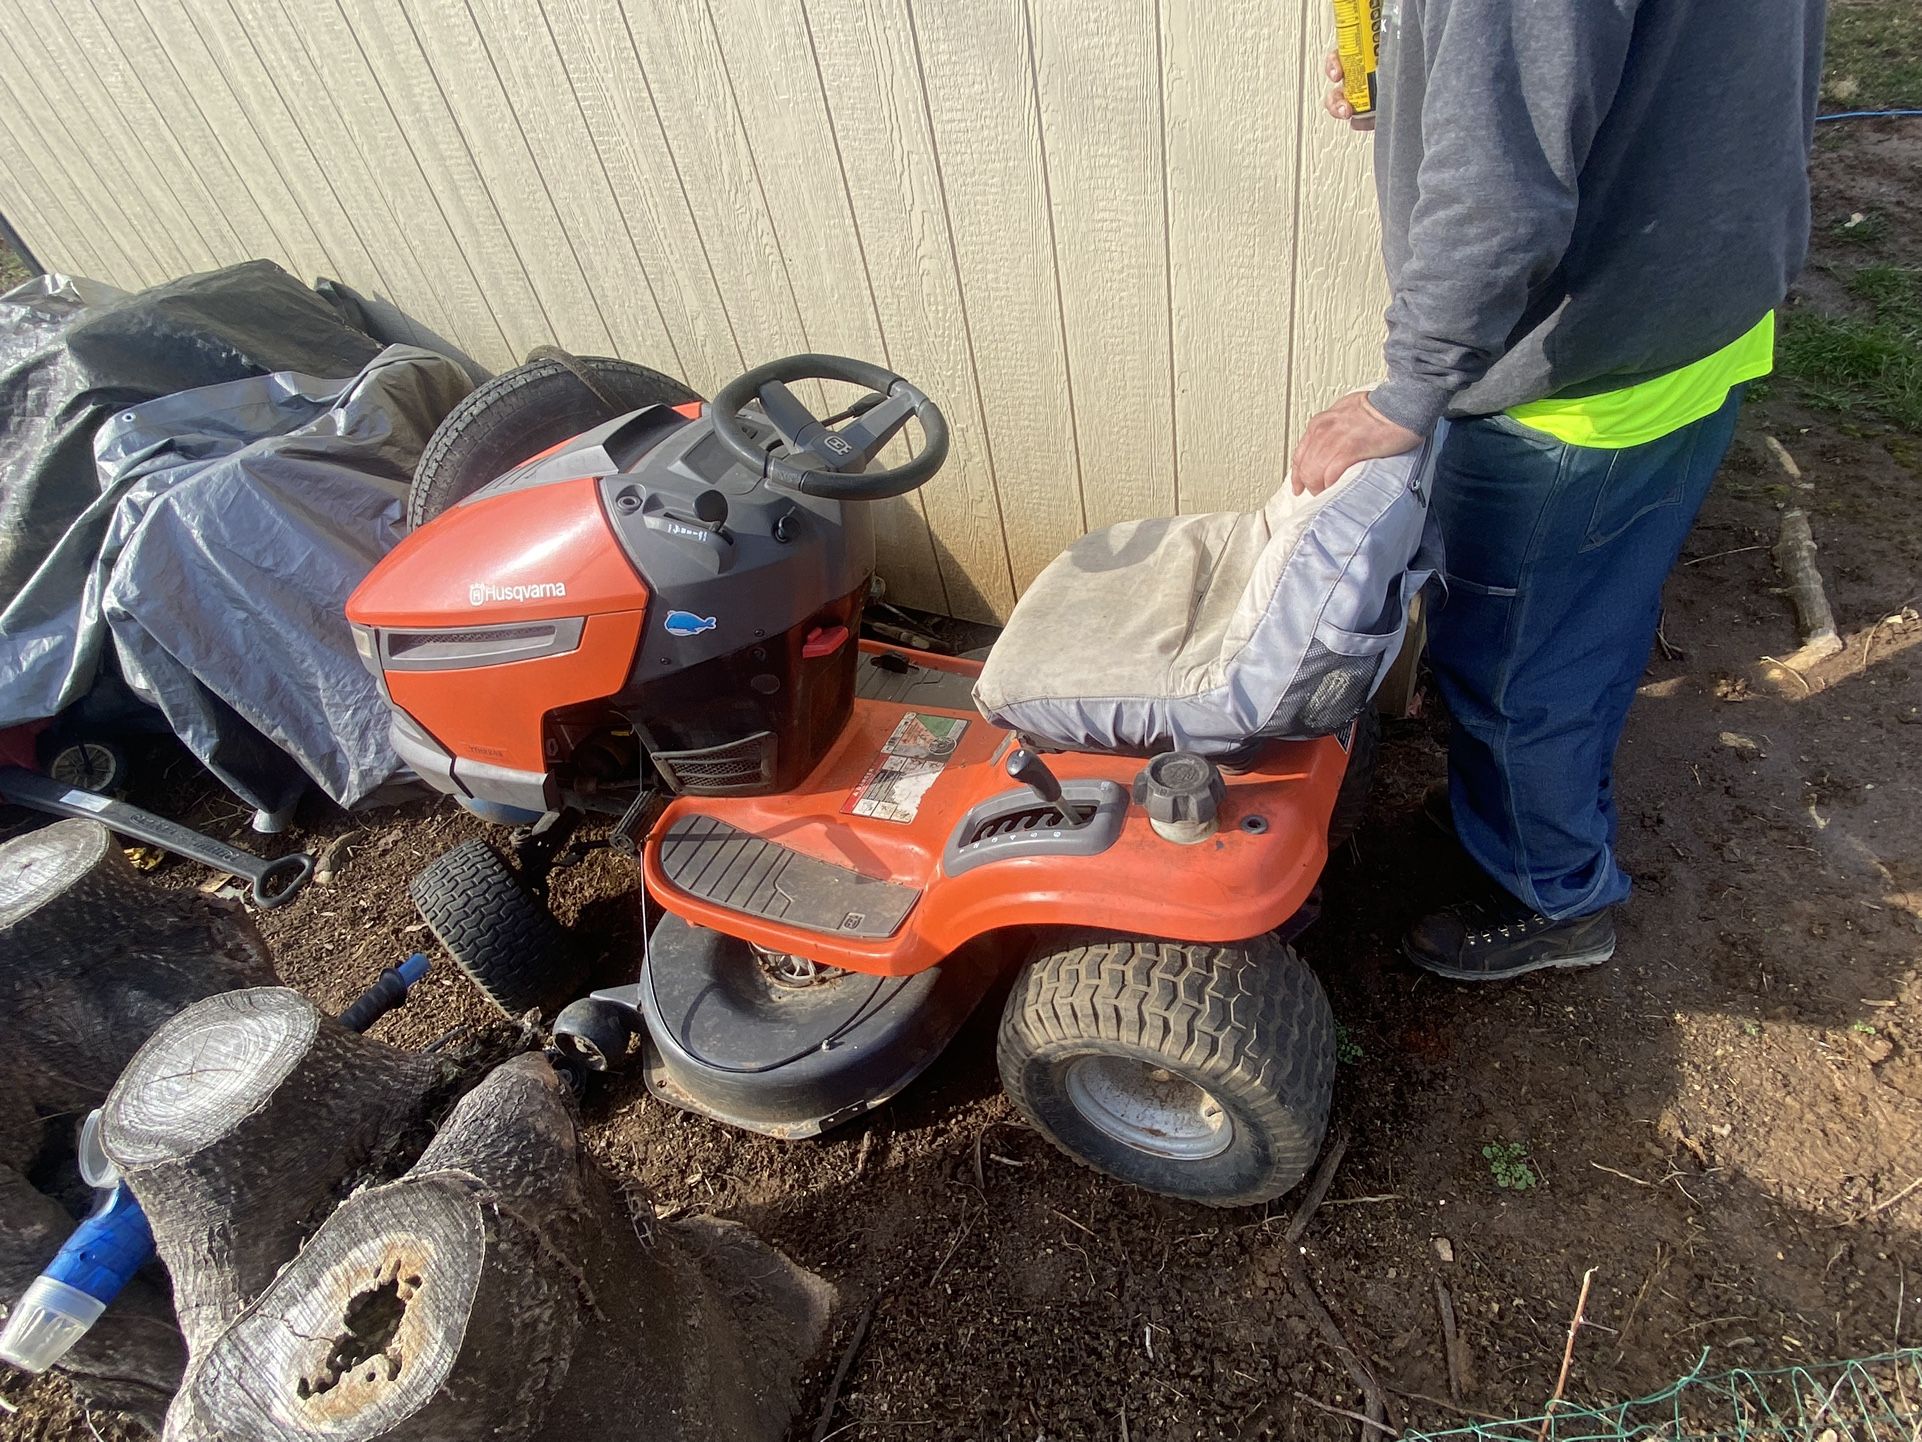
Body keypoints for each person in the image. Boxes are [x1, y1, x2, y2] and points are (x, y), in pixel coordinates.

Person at [1290, 0, 1828, 981]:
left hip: (1581, 380)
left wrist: (1411, 383)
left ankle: (1552, 893)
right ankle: (1517, 820)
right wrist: (1425, 68)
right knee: (1588, 616)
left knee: (1516, 665)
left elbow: (1498, 188)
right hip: (1691, 305)